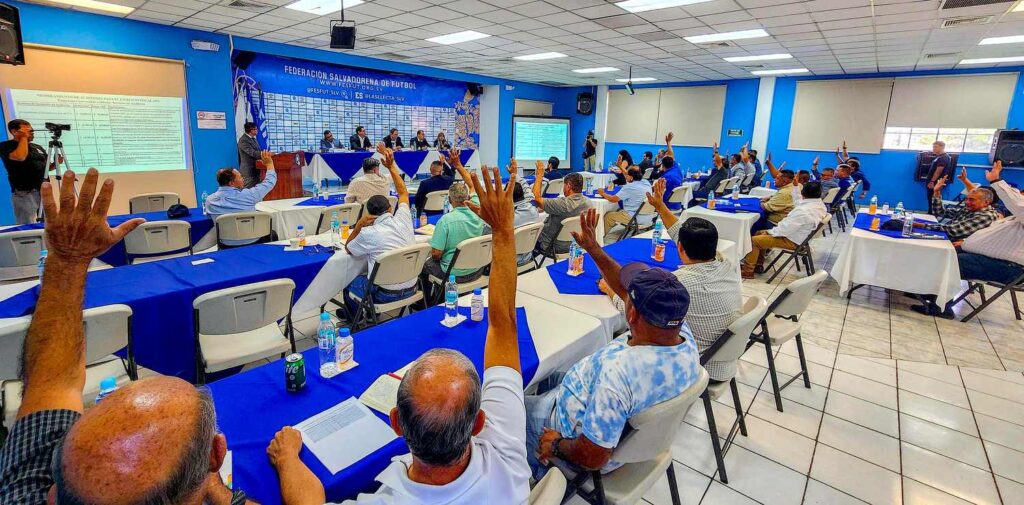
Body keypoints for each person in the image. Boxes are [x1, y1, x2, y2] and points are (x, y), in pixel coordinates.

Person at [268, 165, 530, 505]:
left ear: (396, 424)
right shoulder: (507, 457)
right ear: (480, 423)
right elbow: (504, 324)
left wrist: (287, 458)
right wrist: (504, 231)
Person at [0, 168, 255, 505]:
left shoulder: (26, 489)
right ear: (214, 457)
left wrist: (66, 260)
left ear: (52, 494)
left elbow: (52, 382)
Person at [526, 208, 700, 478]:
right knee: (551, 373)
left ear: (632, 313)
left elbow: (593, 456)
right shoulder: (681, 333)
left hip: (568, 432)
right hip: (599, 406)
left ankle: (534, 471)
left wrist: (556, 445)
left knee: (507, 407)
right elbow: (623, 287)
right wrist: (594, 249)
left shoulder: (618, 375)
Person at [605, 178, 742, 382]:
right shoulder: (725, 263)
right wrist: (660, 206)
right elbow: (680, 234)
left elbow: (633, 310)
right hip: (724, 360)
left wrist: (609, 289)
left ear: (680, 248)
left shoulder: (678, 285)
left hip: (697, 368)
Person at [912, 161, 1024, 318]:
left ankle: (942, 308)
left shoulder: (996, 215)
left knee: (951, 260)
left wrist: (996, 180)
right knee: (943, 254)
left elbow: (1017, 205)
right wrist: (966, 243)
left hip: (1010, 269)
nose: (1019, 201)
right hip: (995, 261)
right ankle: (930, 292)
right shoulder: (1015, 220)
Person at [342, 147, 418, 310]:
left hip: (384, 294)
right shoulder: (404, 219)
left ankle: (357, 318)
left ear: (368, 213)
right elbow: (403, 193)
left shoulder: (367, 233)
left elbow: (348, 248)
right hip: (413, 287)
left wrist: (359, 224)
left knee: (347, 281)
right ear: (390, 208)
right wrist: (391, 167)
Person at [742, 181, 827, 278]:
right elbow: (798, 202)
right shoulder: (819, 205)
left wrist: (769, 232)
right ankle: (757, 264)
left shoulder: (803, 211)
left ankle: (748, 271)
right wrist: (796, 187)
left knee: (754, 241)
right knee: (759, 233)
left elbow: (784, 230)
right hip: (799, 238)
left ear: (803, 193)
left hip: (791, 240)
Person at [424, 181, 485, 290]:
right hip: (477, 269)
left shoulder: (445, 221)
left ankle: (431, 299)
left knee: (423, 265)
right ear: (468, 197)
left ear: (449, 199)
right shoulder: (478, 211)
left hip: (453, 274)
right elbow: (473, 187)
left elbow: (436, 254)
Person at [916, 175, 1000, 242]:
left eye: (971, 200)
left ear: (986, 202)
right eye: (966, 199)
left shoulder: (986, 216)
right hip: (948, 238)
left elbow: (952, 231)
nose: (967, 202)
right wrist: (937, 192)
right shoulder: (971, 208)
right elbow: (940, 212)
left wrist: (918, 225)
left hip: (955, 245)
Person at [0, 119, 48, 224]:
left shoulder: (37, 147)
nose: (31, 133)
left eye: (31, 130)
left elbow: (44, 167)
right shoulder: (5, 146)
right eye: (27, 131)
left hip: (43, 191)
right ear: (14, 132)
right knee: (26, 225)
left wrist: (56, 163)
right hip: (24, 193)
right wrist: (23, 138)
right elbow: (20, 156)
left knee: (48, 223)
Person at [206, 150, 278, 218]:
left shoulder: (209, 201)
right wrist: (269, 164)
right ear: (231, 183)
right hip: (250, 227)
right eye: (240, 177)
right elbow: (269, 182)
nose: (243, 179)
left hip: (224, 228)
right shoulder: (249, 195)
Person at [533, 171, 590, 256]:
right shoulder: (588, 203)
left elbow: (536, 198)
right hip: (576, 243)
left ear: (568, 186)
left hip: (552, 245)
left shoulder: (562, 204)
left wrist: (539, 175)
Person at [597, 166, 652, 236]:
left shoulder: (630, 187)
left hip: (635, 218)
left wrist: (602, 193)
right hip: (648, 216)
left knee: (609, 216)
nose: (625, 176)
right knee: (617, 210)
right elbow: (628, 174)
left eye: (627, 175)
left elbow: (613, 199)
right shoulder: (646, 182)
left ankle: (601, 237)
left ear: (631, 177)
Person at [924, 140, 953, 205]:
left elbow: (938, 171)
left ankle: (932, 211)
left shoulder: (944, 158)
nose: (933, 149)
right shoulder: (939, 157)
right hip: (933, 181)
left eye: (935, 147)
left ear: (942, 147)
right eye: (933, 147)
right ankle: (930, 210)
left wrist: (932, 181)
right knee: (930, 198)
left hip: (935, 182)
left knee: (933, 199)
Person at [659, 132, 683, 205]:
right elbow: (671, 154)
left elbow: (658, 193)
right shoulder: (676, 168)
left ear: (662, 165)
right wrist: (668, 142)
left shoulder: (665, 178)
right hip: (677, 205)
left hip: (666, 205)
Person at [237, 121, 261, 188]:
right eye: (256, 129)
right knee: (247, 190)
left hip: (256, 170)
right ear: (251, 130)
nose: (257, 130)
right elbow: (252, 153)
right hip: (248, 171)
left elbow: (258, 151)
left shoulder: (253, 139)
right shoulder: (243, 140)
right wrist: (265, 154)